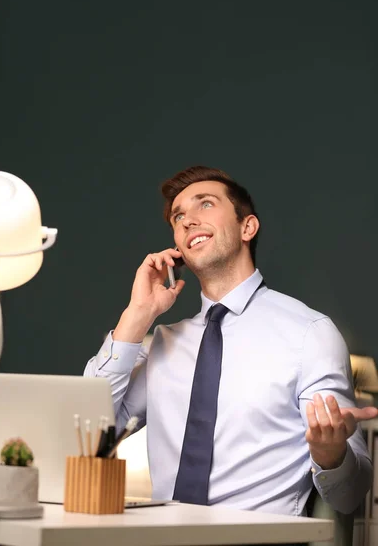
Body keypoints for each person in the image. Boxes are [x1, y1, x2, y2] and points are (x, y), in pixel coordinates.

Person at [84, 165, 375, 522]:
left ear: (247, 227)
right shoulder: (164, 343)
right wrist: (136, 315)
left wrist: (331, 454)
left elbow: (351, 493)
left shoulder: (309, 333)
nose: (187, 220)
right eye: (178, 217)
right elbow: (87, 429)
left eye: (204, 204)